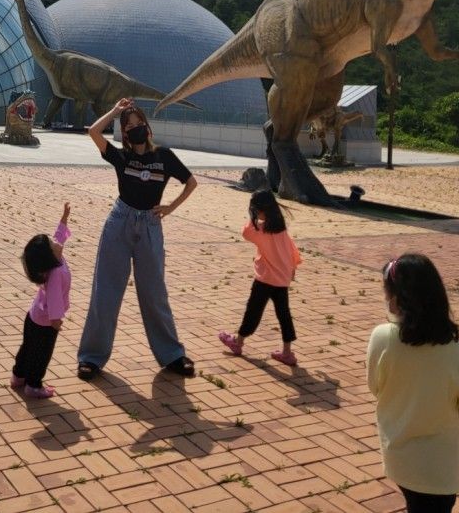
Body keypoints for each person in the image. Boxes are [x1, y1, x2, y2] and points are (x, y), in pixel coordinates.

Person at [76, 98, 198, 381]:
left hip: (150, 226)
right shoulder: (121, 157)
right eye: (128, 126)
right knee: (105, 292)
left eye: (138, 123)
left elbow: (191, 182)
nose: (135, 128)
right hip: (120, 223)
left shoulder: (164, 157)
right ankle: (91, 358)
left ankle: (172, 355)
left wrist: (170, 207)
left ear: (147, 126)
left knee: (155, 292)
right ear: (125, 133)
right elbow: (94, 132)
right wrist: (115, 112)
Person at [366, 253, 459, 513]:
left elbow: (375, 387)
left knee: (413, 502)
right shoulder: (458, 353)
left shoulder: (381, 338)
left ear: (395, 300)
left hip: (398, 455)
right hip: (438, 470)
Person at [218, 188, 301, 366]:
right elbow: (292, 251)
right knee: (284, 315)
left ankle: (238, 342)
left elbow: (246, 233)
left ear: (259, 209)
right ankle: (287, 352)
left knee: (253, 311)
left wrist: (252, 217)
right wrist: (292, 269)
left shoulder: (262, 230)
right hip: (282, 279)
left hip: (265, 279)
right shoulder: (281, 229)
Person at [11, 202, 71, 399]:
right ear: (49, 257)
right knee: (41, 354)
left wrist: (64, 218)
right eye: (52, 245)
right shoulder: (55, 274)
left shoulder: (54, 258)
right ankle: (33, 385)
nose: (56, 242)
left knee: (27, 347)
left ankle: (18, 376)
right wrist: (56, 322)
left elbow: (59, 236)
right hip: (45, 322)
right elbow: (54, 302)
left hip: (33, 316)